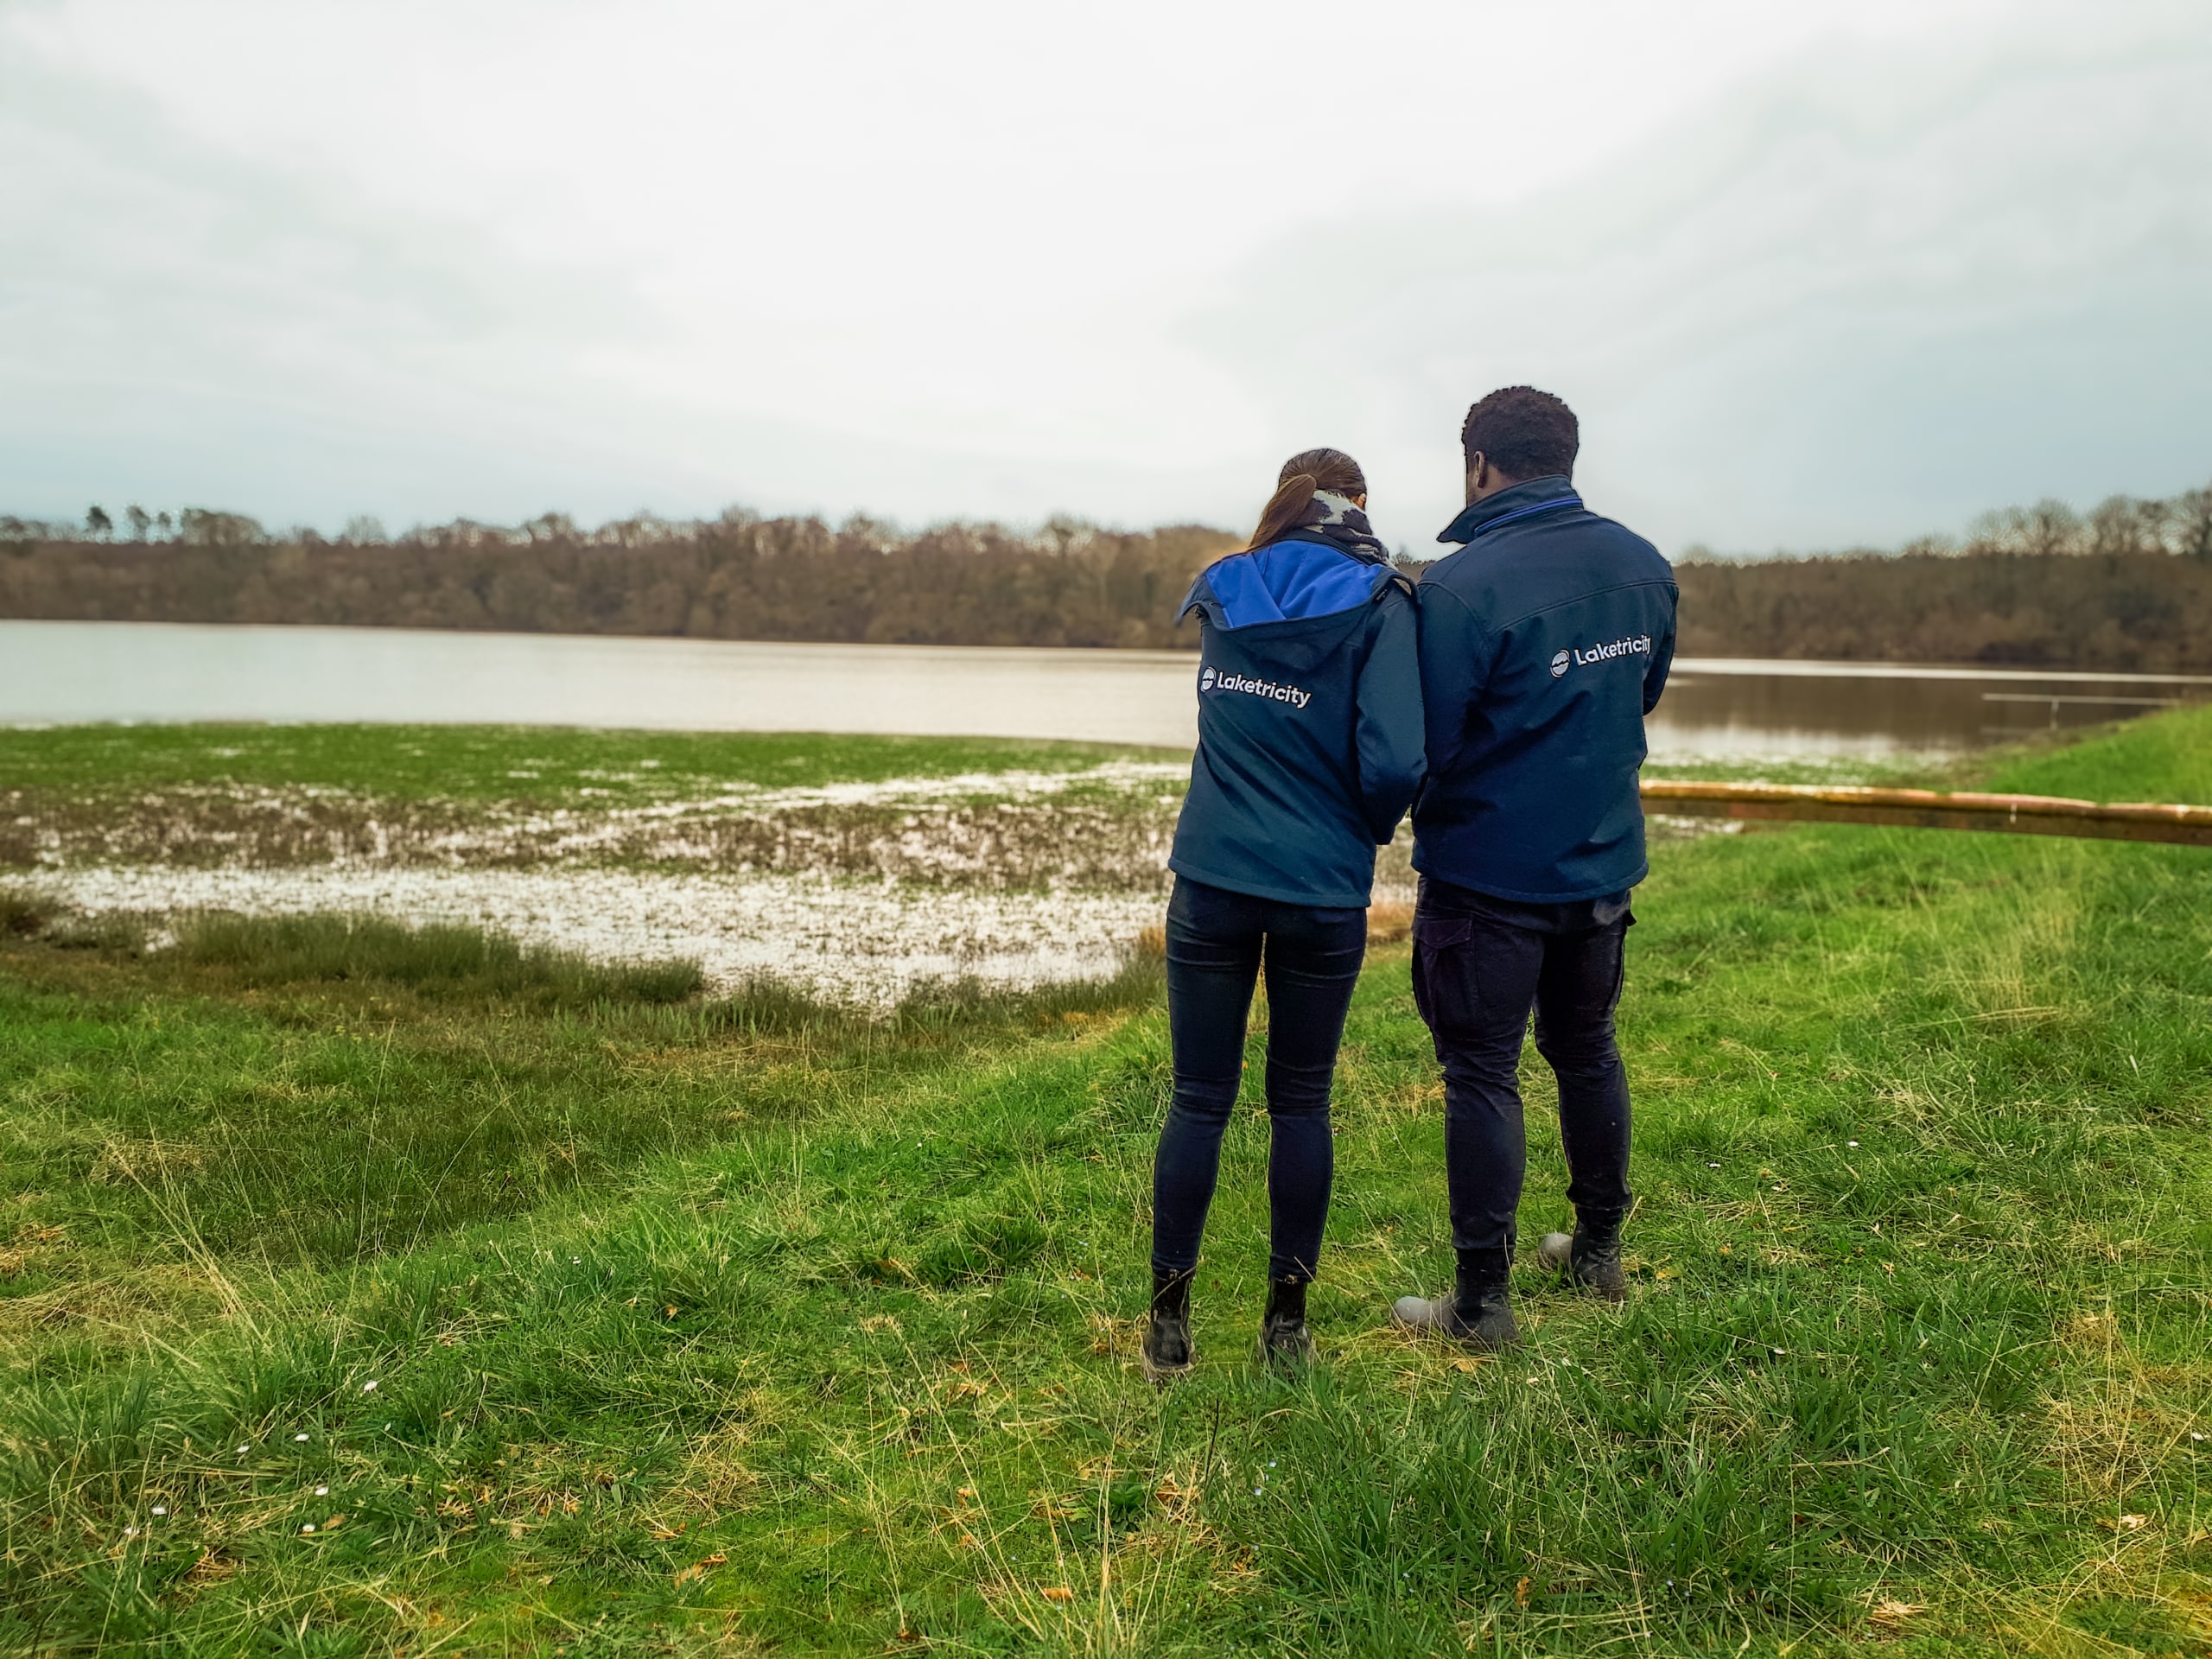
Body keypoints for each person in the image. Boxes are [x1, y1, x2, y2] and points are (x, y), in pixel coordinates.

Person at [1389, 387, 1677, 1351]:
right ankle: (1597, 1252)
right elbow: (1640, 696)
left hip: (1487, 880)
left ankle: (1480, 1305)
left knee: (1481, 1073)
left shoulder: (1462, 585)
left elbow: (1425, 737)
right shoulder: (1643, 567)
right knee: (1586, 1048)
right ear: (1565, 455)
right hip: (1600, 867)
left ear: (1478, 464)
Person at [1143, 448, 1425, 1379]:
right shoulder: (1384, 601)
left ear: (1288, 497)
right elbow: (1392, 757)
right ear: (1360, 504)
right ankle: (1285, 1327)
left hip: (1212, 878)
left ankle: (1168, 1328)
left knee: (1198, 1097)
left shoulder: (1224, 588)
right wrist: (1360, 827)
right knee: (1299, 1101)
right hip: (1319, 889)